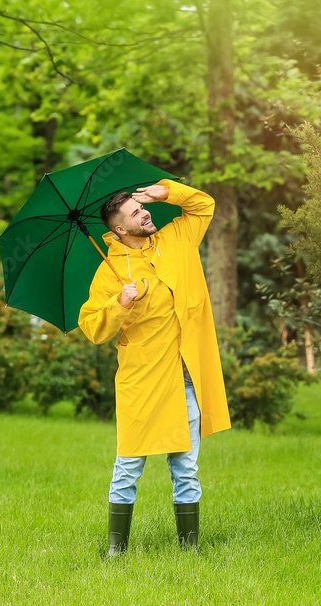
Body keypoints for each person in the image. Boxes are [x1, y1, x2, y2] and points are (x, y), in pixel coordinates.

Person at [77, 178, 231, 555]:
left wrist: (167, 192)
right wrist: (121, 304)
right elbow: (92, 327)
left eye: (141, 206)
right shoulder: (109, 271)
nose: (144, 213)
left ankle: (189, 548)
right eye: (134, 212)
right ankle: (117, 550)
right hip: (142, 379)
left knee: (186, 466)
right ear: (118, 229)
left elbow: (204, 206)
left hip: (185, 375)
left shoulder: (177, 239)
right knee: (128, 466)